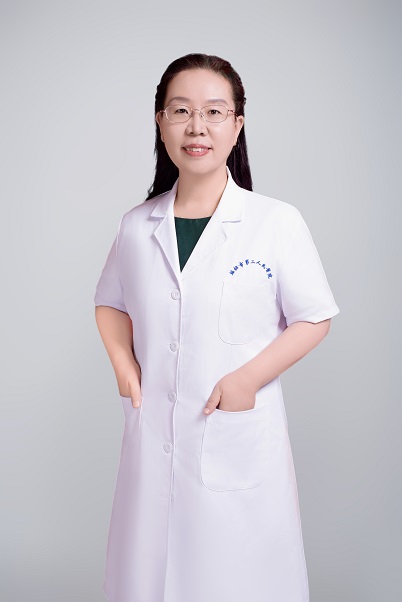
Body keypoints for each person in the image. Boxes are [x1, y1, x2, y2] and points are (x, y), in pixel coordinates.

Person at [94, 53, 340, 602]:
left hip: (235, 439)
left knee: (238, 579)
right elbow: (109, 302)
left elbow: (314, 315)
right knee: (146, 574)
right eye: (181, 111)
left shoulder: (274, 221)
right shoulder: (136, 226)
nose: (197, 127)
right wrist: (124, 365)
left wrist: (248, 378)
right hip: (154, 439)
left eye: (213, 111)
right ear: (160, 122)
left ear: (237, 125)